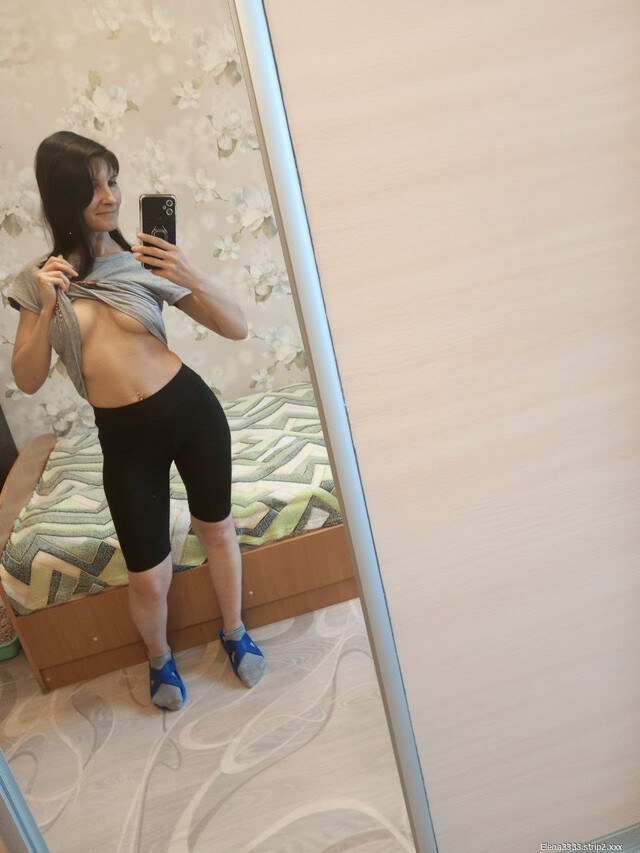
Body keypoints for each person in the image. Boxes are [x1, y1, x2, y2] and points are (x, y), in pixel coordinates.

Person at [8, 130, 265, 711]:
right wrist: (46, 307)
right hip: (126, 440)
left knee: (217, 530)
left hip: (192, 413)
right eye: (93, 186)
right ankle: (159, 658)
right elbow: (27, 378)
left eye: (113, 181)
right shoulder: (38, 281)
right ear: (62, 196)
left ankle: (234, 630)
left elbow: (236, 328)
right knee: (148, 575)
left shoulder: (144, 261)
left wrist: (189, 273)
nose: (110, 197)